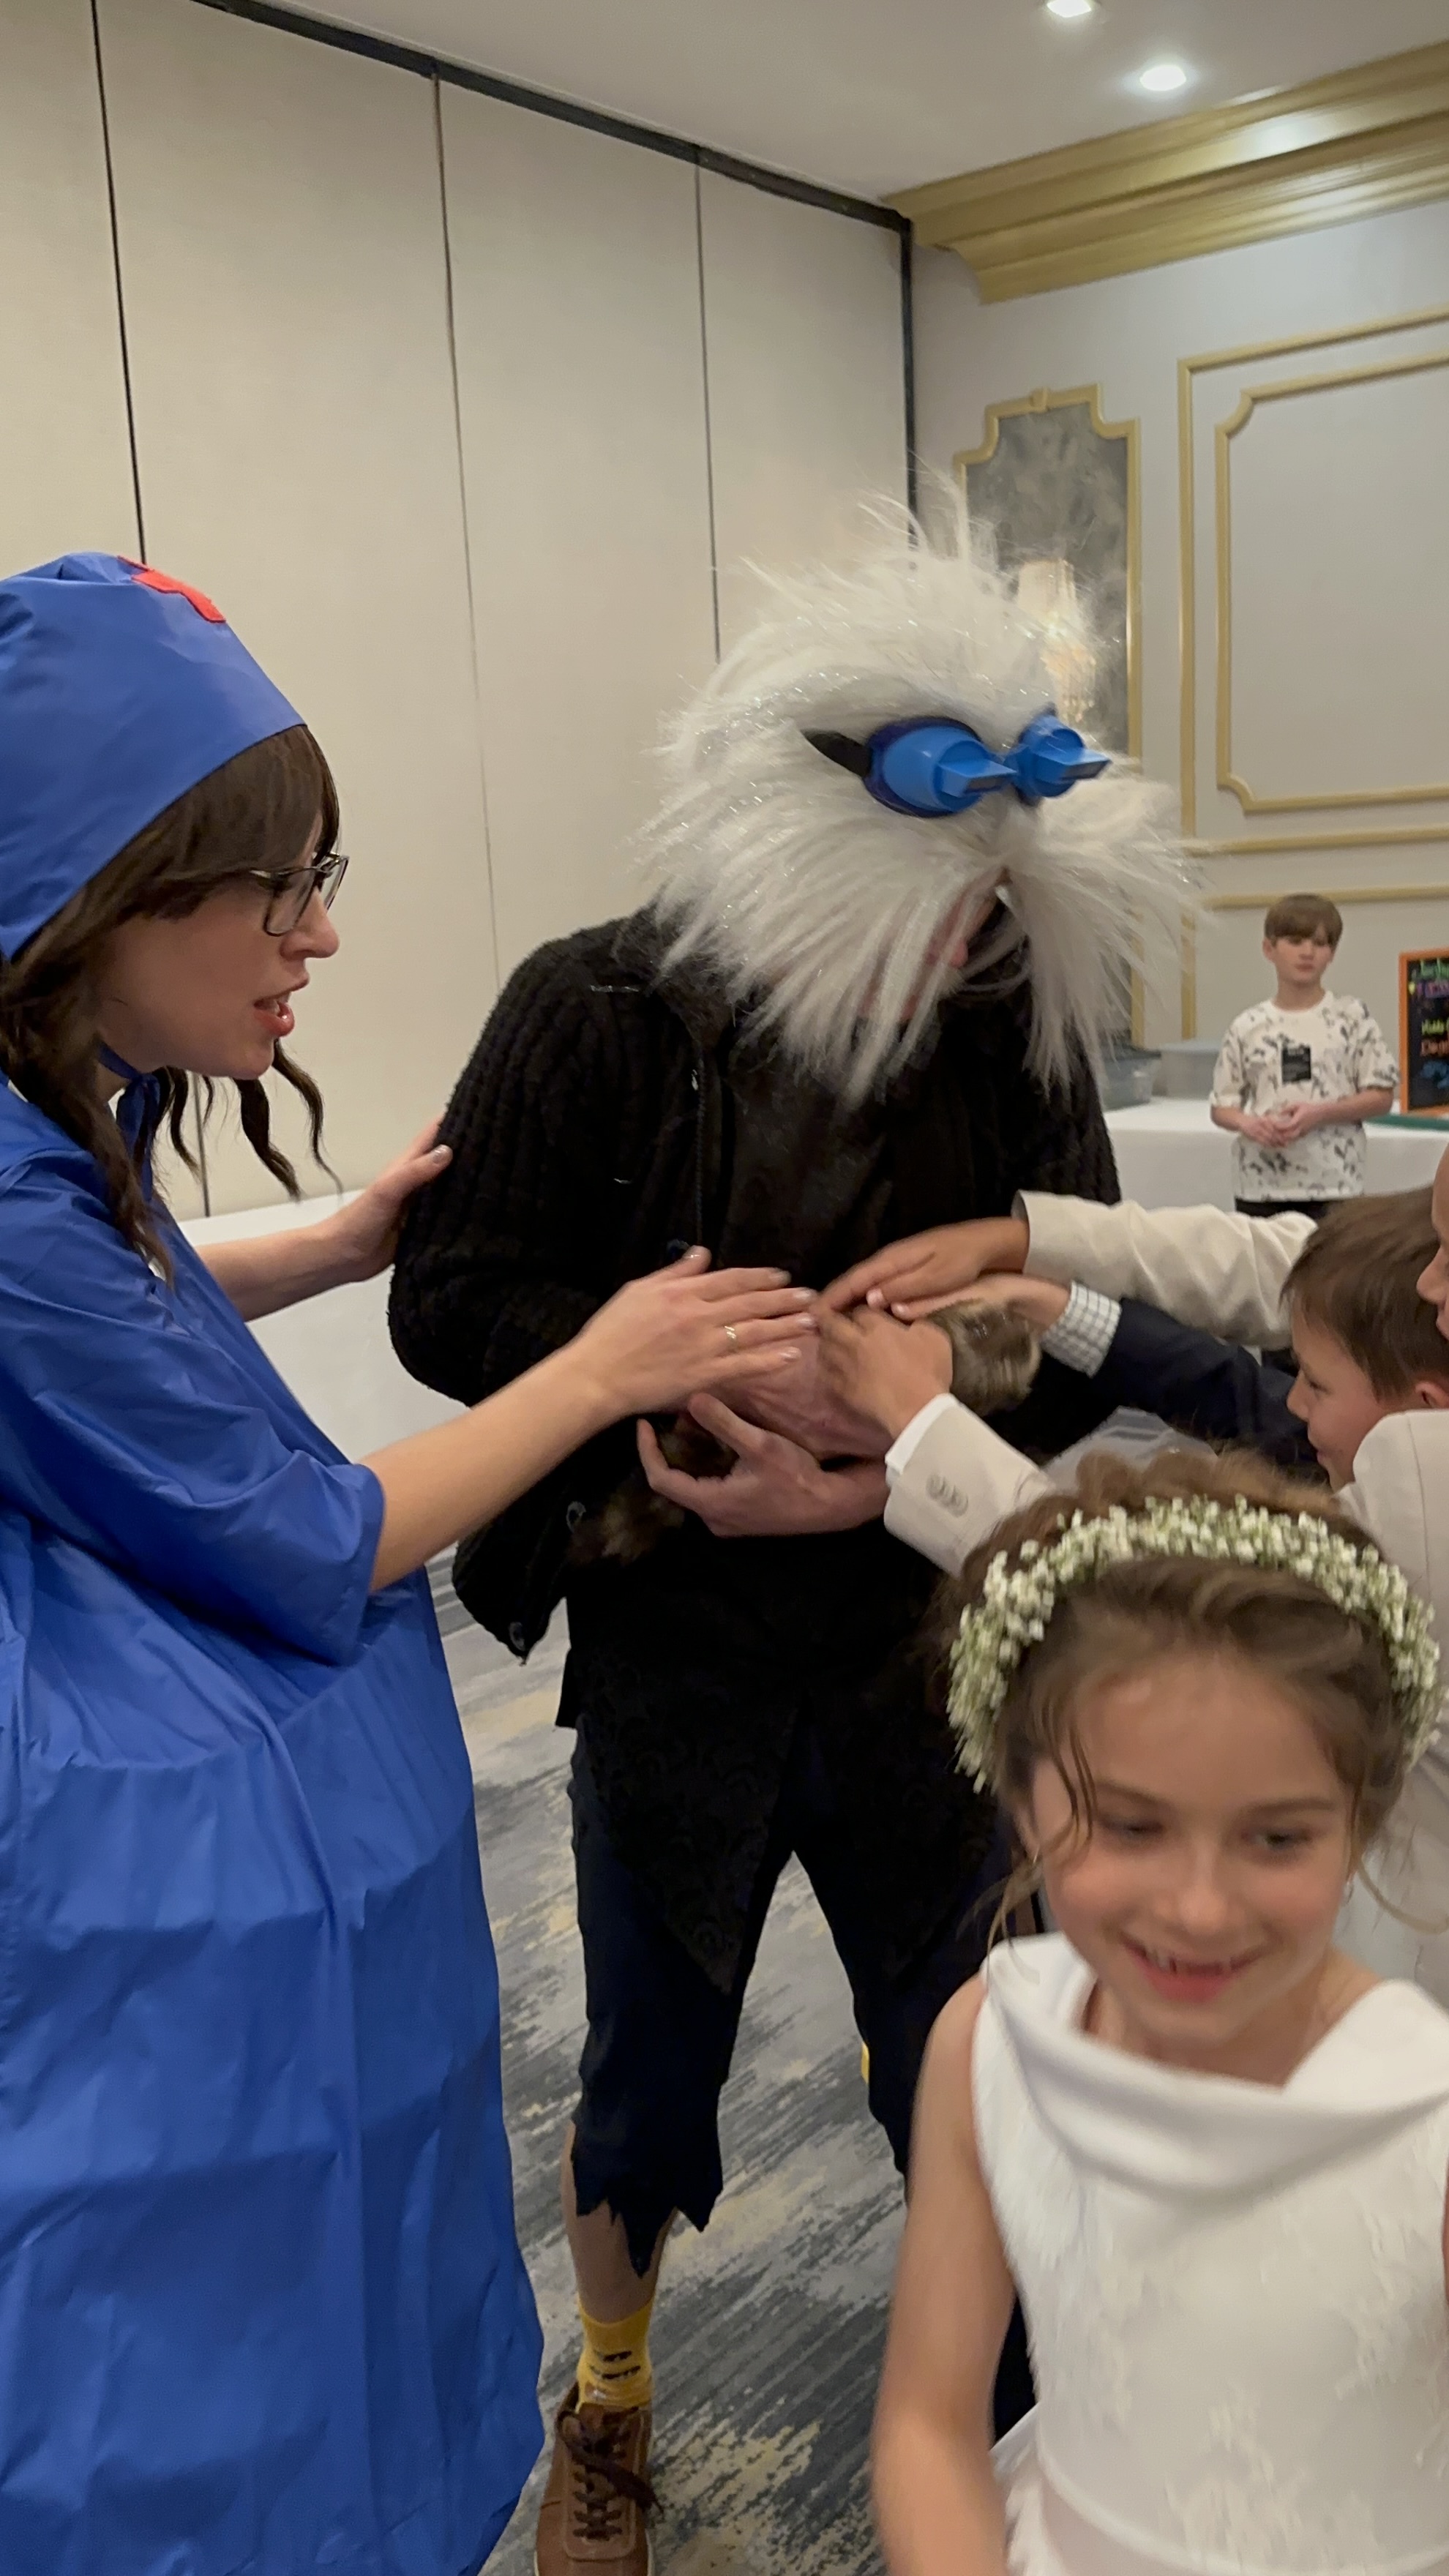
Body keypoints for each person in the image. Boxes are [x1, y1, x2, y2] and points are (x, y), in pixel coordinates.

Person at [389, 497, 1191, 2572]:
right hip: (669, 1632)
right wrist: (649, 1365)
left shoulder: (1005, 1017)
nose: (963, 957)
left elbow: (1099, 1325)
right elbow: (449, 1293)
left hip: (926, 1624)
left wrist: (899, 1424)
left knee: (967, 2031)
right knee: (647, 2061)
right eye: (934, 913)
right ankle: (620, 2394)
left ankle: (1011, 2420)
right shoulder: (591, 1009)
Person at [0, 550, 815, 2576]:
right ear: (86, 889)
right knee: (189, 2319)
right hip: (135, 1901)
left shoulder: (47, 1140)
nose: (320, 935)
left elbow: (126, 1293)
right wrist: (604, 1366)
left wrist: (332, 1240)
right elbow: (312, 1539)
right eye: (270, 892)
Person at [872, 1448, 1449, 2576]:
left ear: (1361, 1819)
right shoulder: (991, 2048)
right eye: (1130, 1827)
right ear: (1017, 1791)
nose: (1197, 1907)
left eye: (1276, 1837)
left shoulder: (1426, 2114)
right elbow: (930, 2425)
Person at [820, 1156, 1449, 1999]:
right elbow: (1275, 1276)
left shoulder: (1417, 1476)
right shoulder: (1400, 1411)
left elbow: (1124, 1595)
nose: (1433, 1284)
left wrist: (915, 1423)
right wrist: (1046, 1275)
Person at [1208, 893, 1396, 1220]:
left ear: (1332, 953)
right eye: (1295, 941)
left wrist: (1320, 1113)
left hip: (1336, 1184)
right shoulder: (1248, 1025)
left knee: (1334, 1272)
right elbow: (1222, 1106)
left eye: (1319, 943)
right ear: (1269, 949)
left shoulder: (1352, 1017)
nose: (1307, 952)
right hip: (1261, 1185)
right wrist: (1250, 1124)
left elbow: (1381, 1096)